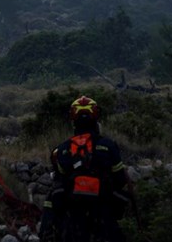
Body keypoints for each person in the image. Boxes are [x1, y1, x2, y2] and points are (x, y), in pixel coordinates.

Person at [39, 96, 131, 242]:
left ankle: (46, 234)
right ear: (96, 116)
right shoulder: (109, 146)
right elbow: (120, 178)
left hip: (72, 219)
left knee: (52, 195)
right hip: (104, 215)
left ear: (73, 118)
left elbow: (59, 181)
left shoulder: (62, 149)